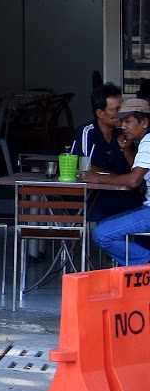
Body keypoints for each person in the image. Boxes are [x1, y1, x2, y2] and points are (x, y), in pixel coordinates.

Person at [86, 97, 150, 267]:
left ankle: (146, 264)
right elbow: (142, 176)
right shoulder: (146, 141)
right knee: (105, 225)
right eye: (122, 121)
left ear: (144, 122)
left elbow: (134, 180)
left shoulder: (149, 142)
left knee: (102, 234)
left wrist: (98, 179)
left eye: (128, 121)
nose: (123, 126)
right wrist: (127, 150)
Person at [71, 82, 141, 221]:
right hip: (94, 196)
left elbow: (138, 171)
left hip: (125, 195)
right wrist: (118, 179)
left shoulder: (127, 130)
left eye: (123, 107)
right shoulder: (86, 132)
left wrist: (127, 150)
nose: (122, 113)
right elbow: (82, 167)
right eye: (116, 110)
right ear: (100, 113)